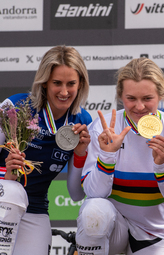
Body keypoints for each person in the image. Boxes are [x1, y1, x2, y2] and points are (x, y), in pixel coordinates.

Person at [76, 57, 164, 255]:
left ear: (161, 95)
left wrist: (162, 168)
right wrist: (107, 156)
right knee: (94, 210)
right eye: (131, 98)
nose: (139, 107)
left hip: (153, 232)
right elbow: (93, 194)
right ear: (121, 97)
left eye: (147, 98)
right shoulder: (104, 128)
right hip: (113, 226)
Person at [0, 45, 92, 255]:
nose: (64, 91)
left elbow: (76, 194)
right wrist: (6, 174)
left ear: (81, 85)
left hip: (34, 208)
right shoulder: (15, 106)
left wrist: (80, 154)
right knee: (12, 192)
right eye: (57, 83)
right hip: (2, 197)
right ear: (44, 83)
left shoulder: (82, 122)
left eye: (71, 84)